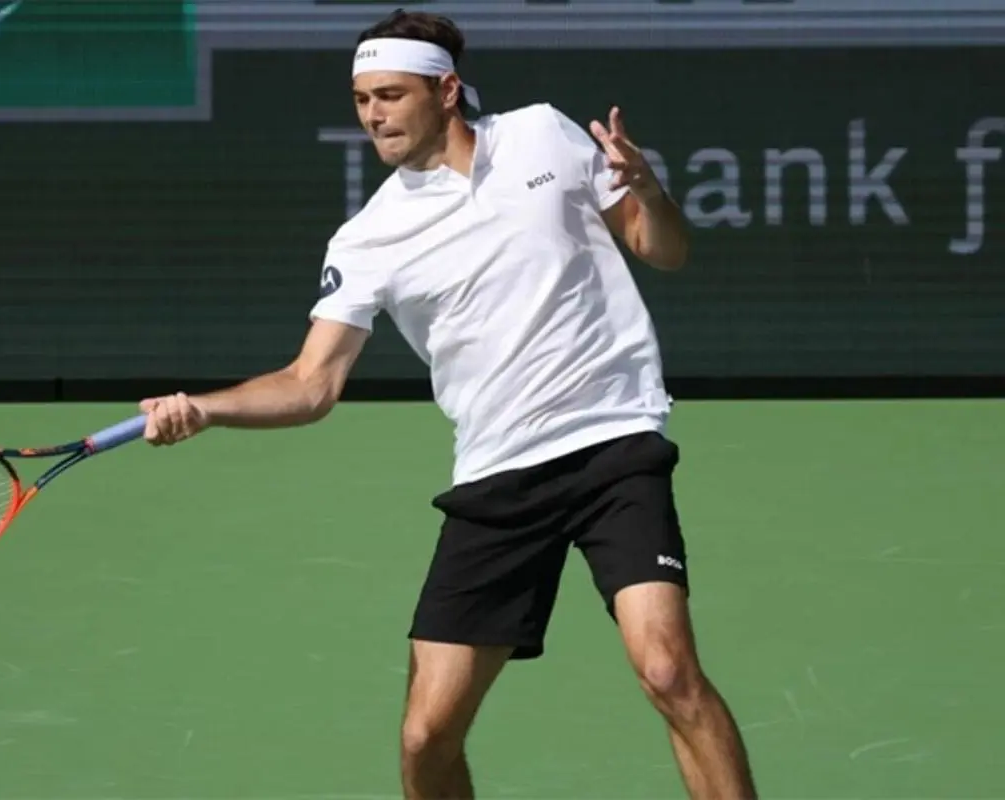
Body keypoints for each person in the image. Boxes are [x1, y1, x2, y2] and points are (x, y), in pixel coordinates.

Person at [139, 9, 757, 800]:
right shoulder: (367, 239)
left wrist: (649, 190)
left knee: (668, 671)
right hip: (497, 475)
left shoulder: (542, 135)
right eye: (362, 99)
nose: (373, 114)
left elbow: (662, 249)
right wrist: (205, 407)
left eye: (391, 94)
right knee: (426, 737)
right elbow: (310, 383)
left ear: (446, 89)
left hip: (613, 442)